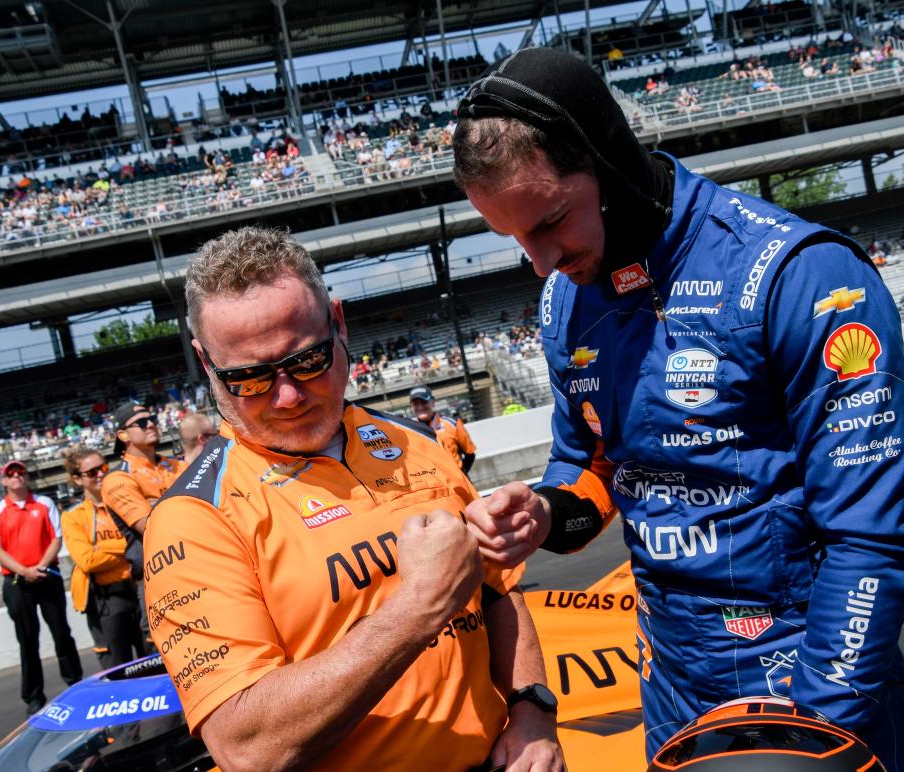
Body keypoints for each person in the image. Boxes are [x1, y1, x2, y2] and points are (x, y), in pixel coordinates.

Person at [453, 47, 904, 770]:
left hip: (815, 690)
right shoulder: (563, 303)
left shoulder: (799, 274)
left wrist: (813, 729)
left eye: (549, 221)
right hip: (674, 695)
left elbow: (869, 533)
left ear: (606, 162)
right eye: (514, 237)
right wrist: (545, 512)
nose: (539, 261)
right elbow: (593, 466)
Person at [144, 226, 563, 771]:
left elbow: (500, 594)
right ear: (206, 364)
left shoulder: (416, 443)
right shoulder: (194, 519)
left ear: (338, 324)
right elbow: (248, 747)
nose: (288, 395)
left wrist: (533, 712)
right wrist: (421, 605)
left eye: (307, 360)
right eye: (249, 378)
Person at [0, 460, 82, 714]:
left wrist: (40, 566)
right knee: (27, 641)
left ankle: (76, 685)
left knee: (61, 633)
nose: (16, 477)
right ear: (4, 481)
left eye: (20, 473)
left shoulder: (44, 503)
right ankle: (33, 697)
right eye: (11, 474)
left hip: (47, 576)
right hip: (17, 582)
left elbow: (56, 538)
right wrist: (25, 571)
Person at [102, 403, 185, 647]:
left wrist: (157, 504)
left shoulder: (178, 466)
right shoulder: (118, 479)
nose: (150, 424)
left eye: (152, 418)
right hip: (158, 579)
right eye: (140, 422)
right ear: (123, 435)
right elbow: (150, 525)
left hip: (200, 567)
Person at [61, 448, 144, 668]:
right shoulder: (73, 516)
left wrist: (103, 547)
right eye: (91, 472)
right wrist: (130, 549)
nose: (100, 474)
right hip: (108, 601)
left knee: (157, 658)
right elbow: (87, 560)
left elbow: (146, 541)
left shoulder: (127, 502)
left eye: (103, 467)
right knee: (117, 668)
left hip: (141, 590)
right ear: (77, 479)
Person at [409, 385, 477, 475]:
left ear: (432, 402)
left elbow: (470, 454)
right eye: (416, 404)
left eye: (424, 402)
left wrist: (461, 476)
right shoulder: (408, 431)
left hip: (458, 481)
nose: (420, 407)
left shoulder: (453, 424)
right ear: (411, 407)